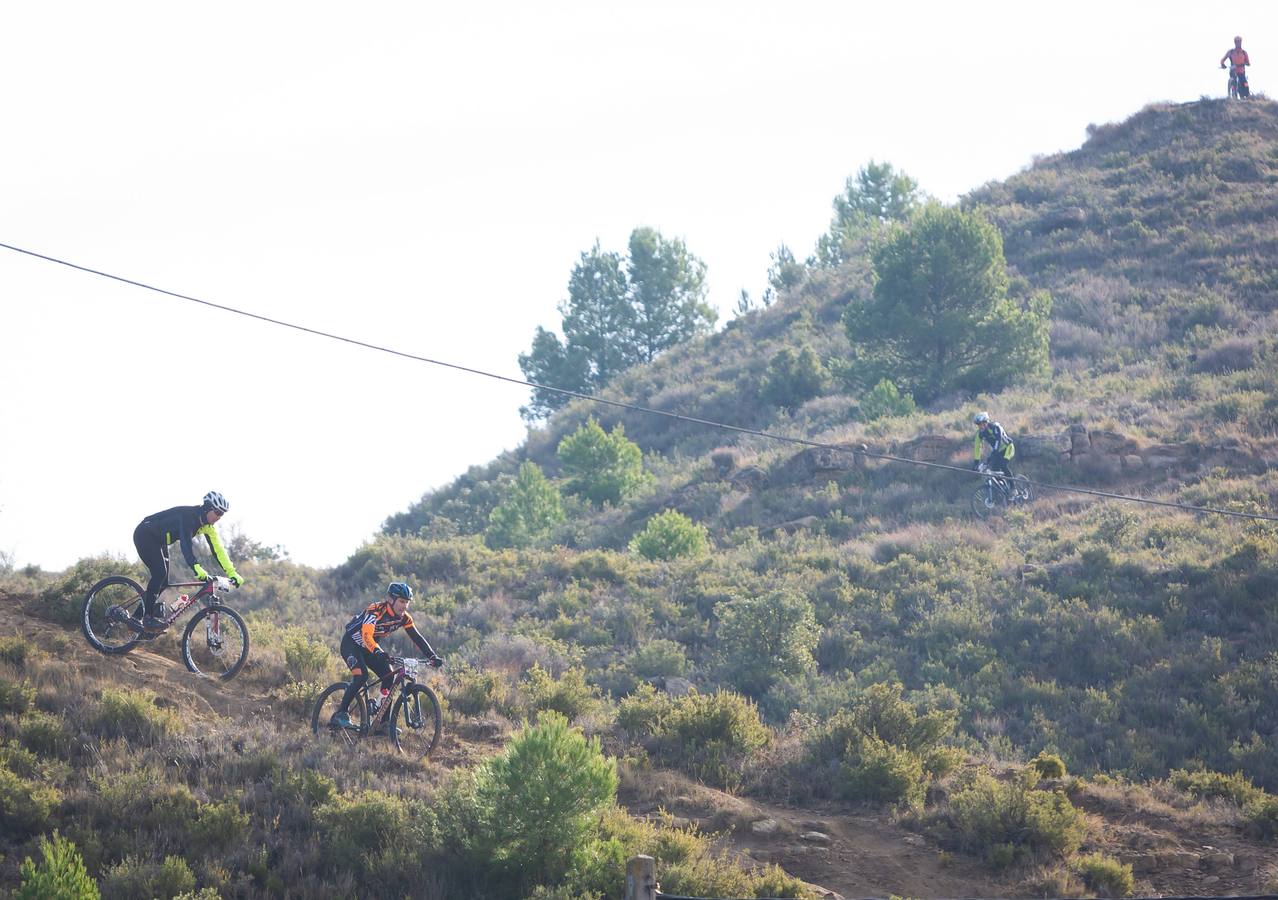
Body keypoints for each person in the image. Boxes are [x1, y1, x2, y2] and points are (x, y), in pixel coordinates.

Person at [329, 582, 442, 731]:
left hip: (370, 647)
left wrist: (432, 656)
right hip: (352, 644)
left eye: (407, 602)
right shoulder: (375, 610)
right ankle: (341, 713)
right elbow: (366, 635)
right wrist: (377, 652)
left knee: (390, 676)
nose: (405, 606)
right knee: (361, 676)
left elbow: (417, 638)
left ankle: (384, 723)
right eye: (402, 601)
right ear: (391, 600)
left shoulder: (404, 618)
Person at [129, 491, 243, 632]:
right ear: (208, 508)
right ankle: (147, 618)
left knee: (163, 582)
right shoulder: (188, 517)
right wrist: (196, 568)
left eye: (222, 514)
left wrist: (232, 572)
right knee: (159, 573)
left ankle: (136, 617)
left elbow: (219, 550)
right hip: (145, 534)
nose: (219, 517)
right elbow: (186, 545)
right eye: (218, 512)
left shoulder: (208, 527)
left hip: (159, 541)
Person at [972, 412, 1016, 483]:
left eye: (981, 424)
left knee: (1003, 465)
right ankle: (1002, 487)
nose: (980, 427)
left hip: (1008, 448)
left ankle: (1013, 488)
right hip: (998, 451)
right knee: (995, 470)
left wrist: (989, 459)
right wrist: (976, 463)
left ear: (986, 422)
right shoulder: (980, 434)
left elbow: (997, 443)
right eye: (978, 425)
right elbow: (977, 448)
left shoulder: (995, 427)